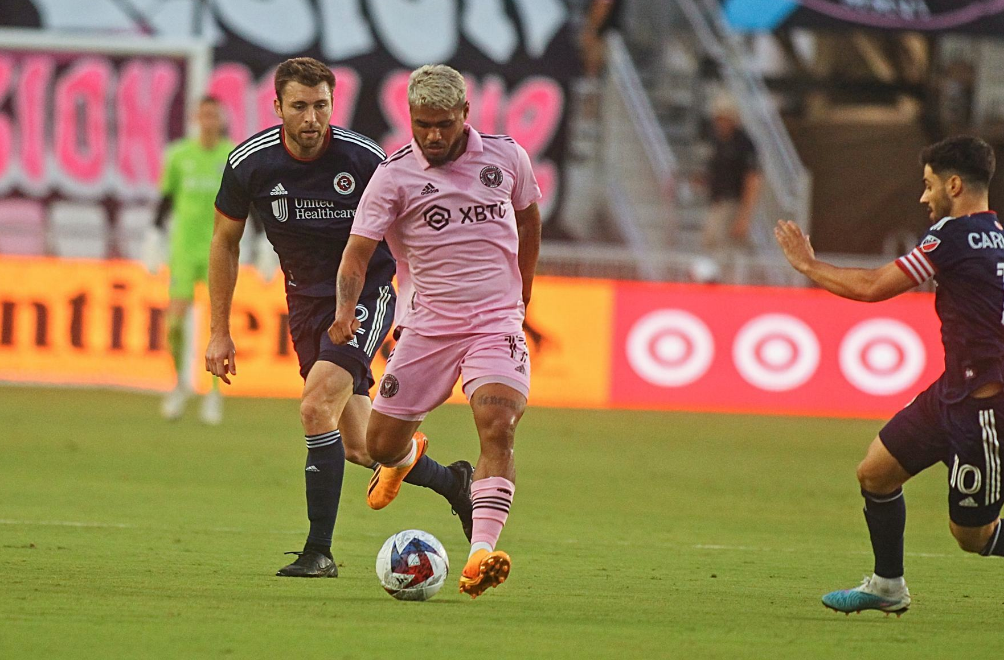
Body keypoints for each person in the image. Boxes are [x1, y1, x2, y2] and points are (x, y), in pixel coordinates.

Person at [205, 57, 473, 578]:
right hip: (305, 304)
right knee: (359, 445)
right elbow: (224, 242)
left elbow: (416, 224)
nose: (312, 118)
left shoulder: (365, 158)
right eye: (300, 106)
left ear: (334, 104)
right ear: (277, 105)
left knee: (313, 408)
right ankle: (453, 482)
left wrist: (420, 306)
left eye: (321, 105)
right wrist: (219, 332)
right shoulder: (250, 163)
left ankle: (319, 553)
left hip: (365, 294)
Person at [329, 64, 543, 599]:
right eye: (422, 123)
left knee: (498, 424)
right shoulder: (394, 176)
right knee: (378, 445)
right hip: (427, 327)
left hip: (495, 321)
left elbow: (530, 220)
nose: (433, 134)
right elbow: (357, 253)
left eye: (443, 123)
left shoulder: (507, 157)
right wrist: (343, 310)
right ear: (410, 118)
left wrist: (524, 294)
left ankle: (480, 556)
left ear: (465, 114)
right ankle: (409, 459)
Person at [775, 135, 1004, 616]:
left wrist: (808, 265)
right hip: (951, 392)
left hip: (981, 408)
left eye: (928, 185)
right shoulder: (997, 237)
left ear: (955, 185)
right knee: (875, 473)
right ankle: (887, 586)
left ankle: (890, 584)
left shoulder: (950, 237)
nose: (924, 197)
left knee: (973, 536)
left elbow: (873, 287)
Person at [144, 96, 233, 424]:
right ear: (197, 117)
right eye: (204, 115)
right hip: (183, 248)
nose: (209, 121)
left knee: (218, 324)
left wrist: (260, 242)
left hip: (220, 250)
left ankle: (213, 391)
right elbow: (166, 200)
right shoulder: (179, 156)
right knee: (175, 322)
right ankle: (180, 384)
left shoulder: (232, 155)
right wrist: (154, 237)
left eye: (214, 115)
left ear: (221, 119)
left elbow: (248, 202)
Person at [702, 95, 762, 279]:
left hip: (734, 202)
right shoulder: (718, 141)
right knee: (711, 241)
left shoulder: (743, 143)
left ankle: (729, 283)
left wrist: (745, 215)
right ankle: (715, 279)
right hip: (717, 200)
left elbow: (753, 178)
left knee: (728, 246)